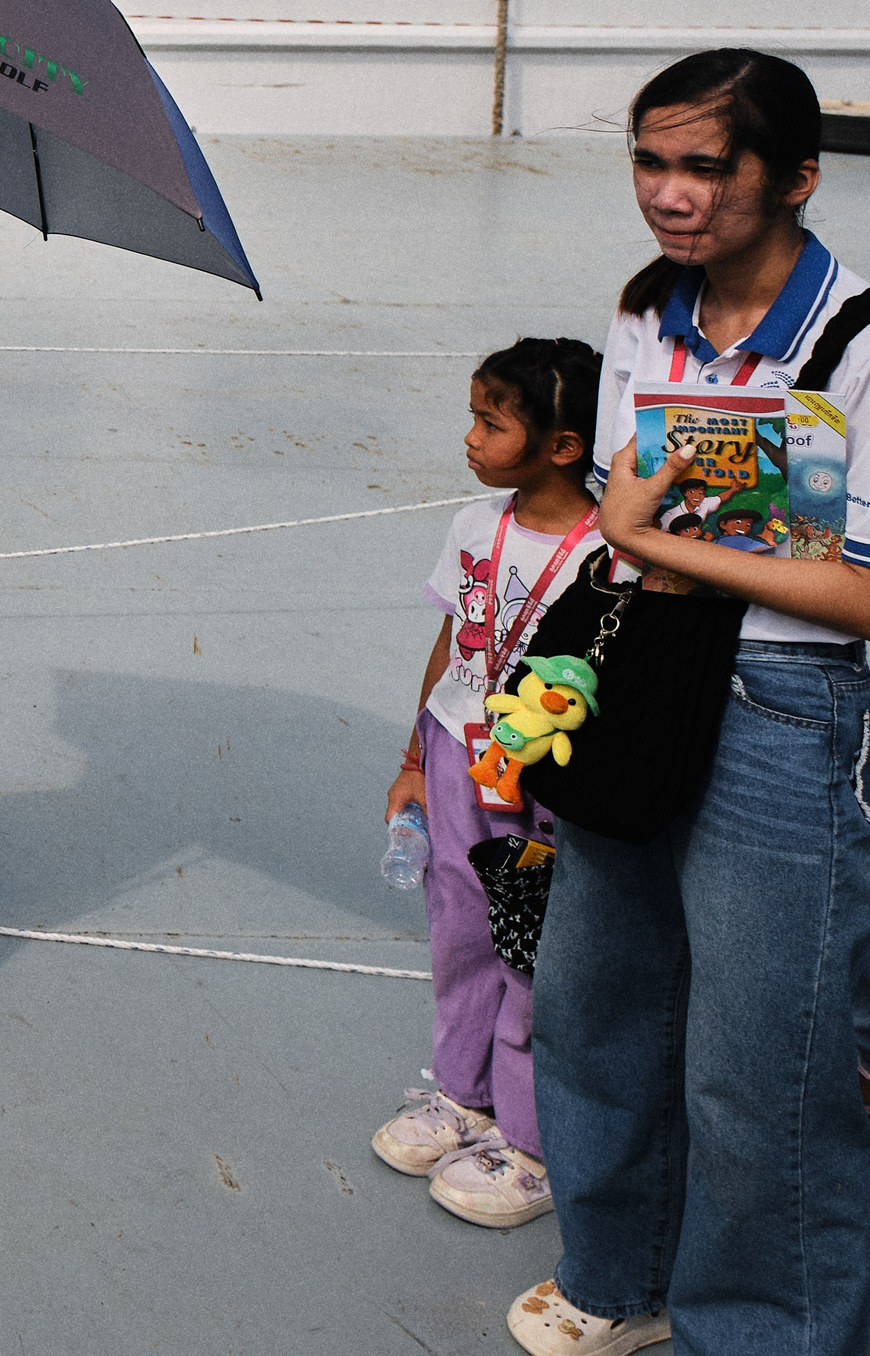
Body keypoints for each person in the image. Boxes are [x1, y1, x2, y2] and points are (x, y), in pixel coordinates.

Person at [510, 49, 870, 1356]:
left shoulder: (859, 339)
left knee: (758, 1058)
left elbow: (858, 593)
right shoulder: (645, 315)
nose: (670, 195)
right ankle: (621, 1272)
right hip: (639, 672)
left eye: (705, 166)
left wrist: (651, 534)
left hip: (781, 694)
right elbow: (626, 505)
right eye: (650, 162)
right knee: (597, 999)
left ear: (795, 177)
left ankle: (767, 1329)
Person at [374, 339, 602, 1231]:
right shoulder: (476, 526)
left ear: (563, 446)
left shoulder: (604, 551)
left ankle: (533, 1139)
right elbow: (453, 643)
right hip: (457, 755)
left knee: (533, 954)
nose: (470, 437)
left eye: (490, 420)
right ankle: (464, 1097)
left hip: (545, 780)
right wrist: (412, 761)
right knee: (461, 930)